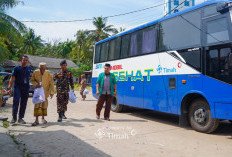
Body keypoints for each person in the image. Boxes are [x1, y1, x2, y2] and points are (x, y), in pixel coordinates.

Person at [7, 55, 30, 124]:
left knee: (24, 103)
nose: (25, 61)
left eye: (26, 60)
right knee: (16, 101)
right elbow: (12, 78)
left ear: (27, 61)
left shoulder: (28, 68)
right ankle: (14, 118)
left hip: (26, 88)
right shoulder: (16, 68)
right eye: (23, 60)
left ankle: (20, 118)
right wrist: (9, 88)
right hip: (18, 87)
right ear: (21, 60)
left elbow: (31, 77)